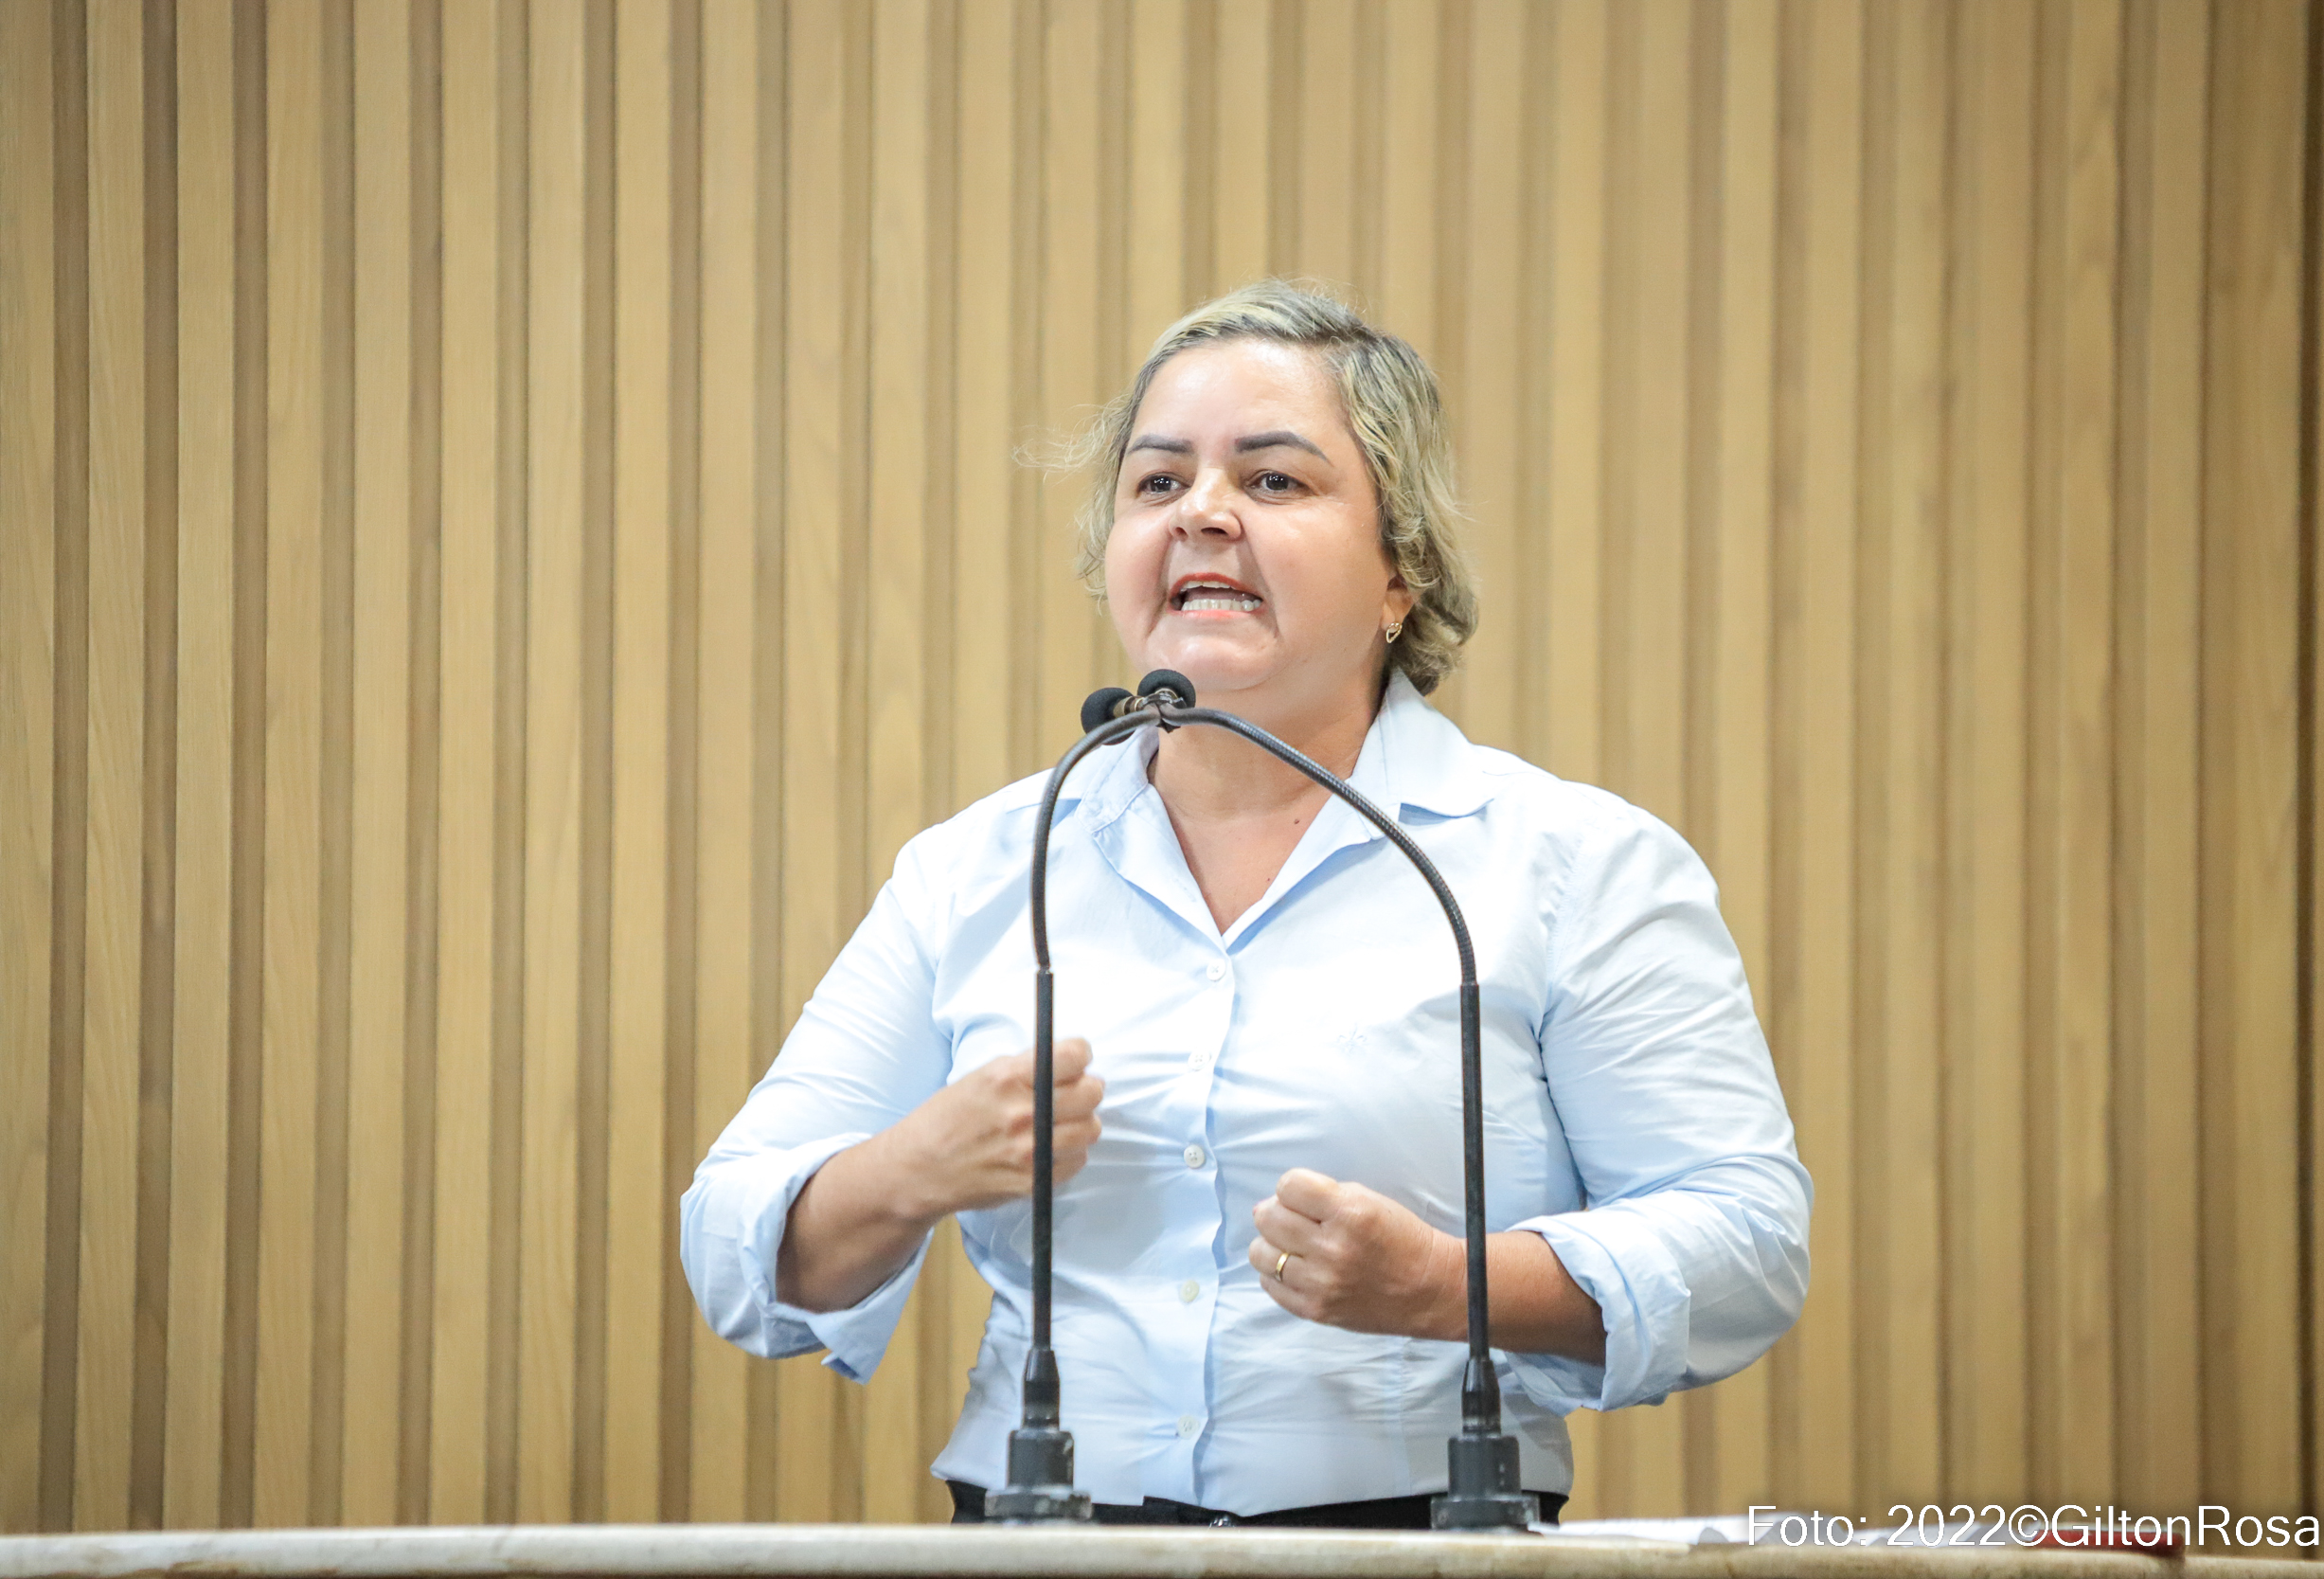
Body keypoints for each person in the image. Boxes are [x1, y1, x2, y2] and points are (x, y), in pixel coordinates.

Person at [681, 280, 1811, 1528]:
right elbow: (732, 1245)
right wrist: (910, 1168)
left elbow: (1747, 1244)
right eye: (1158, 482)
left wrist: (1447, 1286)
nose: (1203, 512)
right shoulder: (982, 869)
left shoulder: (1574, 865)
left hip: (1426, 1547)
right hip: (1034, 1547)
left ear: (1403, 570)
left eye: (1272, 479)